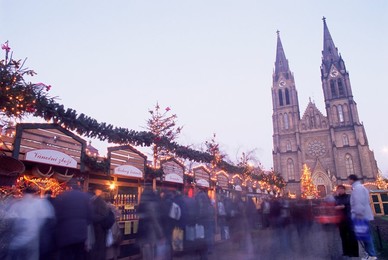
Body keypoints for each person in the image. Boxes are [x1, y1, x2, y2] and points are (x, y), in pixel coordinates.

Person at [6, 186, 55, 260]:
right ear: (34, 194)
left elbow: (9, 219)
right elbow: (49, 217)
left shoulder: (17, 204)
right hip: (33, 238)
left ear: (23, 193)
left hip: (16, 241)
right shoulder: (40, 202)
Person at [54, 179, 92, 260]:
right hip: (81, 234)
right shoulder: (86, 197)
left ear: (69, 187)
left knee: (66, 256)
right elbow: (90, 216)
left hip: (65, 234)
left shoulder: (62, 196)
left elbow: (56, 216)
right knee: (79, 255)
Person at [348, 174, 377, 260]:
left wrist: (358, 216)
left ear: (352, 180)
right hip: (363, 216)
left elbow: (359, 203)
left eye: (349, 180)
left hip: (361, 216)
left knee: (365, 236)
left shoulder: (358, 189)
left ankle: (371, 255)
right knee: (365, 236)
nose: (348, 182)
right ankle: (369, 254)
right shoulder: (360, 187)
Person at [334, 185, 359, 258]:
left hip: (349, 219)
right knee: (343, 236)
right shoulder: (336, 198)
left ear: (344, 190)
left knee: (352, 236)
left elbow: (350, 205)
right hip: (341, 220)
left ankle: (354, 253)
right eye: (338, 189)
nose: (339, 190)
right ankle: (345, 252)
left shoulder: (349, 197)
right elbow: (333, 205)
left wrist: (343, 206)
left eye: (341, 189)